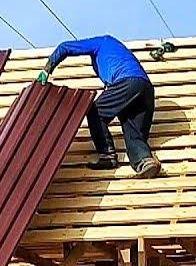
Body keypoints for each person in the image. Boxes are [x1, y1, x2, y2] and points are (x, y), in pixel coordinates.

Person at [36, 34, 161, 178]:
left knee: (95, 111)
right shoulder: (117, 52)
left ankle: (107, 155)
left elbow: (65, 47)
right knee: (132, 130)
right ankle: (145, 161)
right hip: (145, 88)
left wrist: (47, 69)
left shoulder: (101, 42)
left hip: (127, 82)